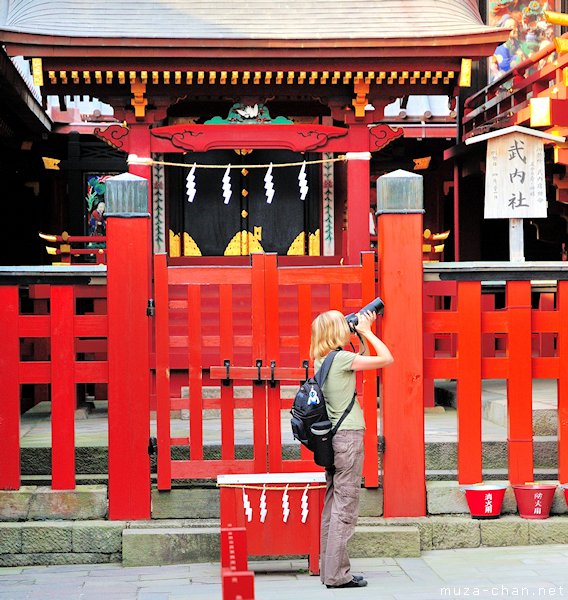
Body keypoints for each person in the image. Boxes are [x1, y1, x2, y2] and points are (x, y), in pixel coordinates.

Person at [311, 309, 394, 589]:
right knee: (345, 506)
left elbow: (353, 358)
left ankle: (329, 570)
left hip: (332, 441)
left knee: (333, 504)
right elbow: (386, 359)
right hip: (348, 440)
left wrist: (357, 334)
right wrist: (369, 331)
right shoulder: (342, 359)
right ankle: (337, 576)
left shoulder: (322, 360)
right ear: (337, 332)